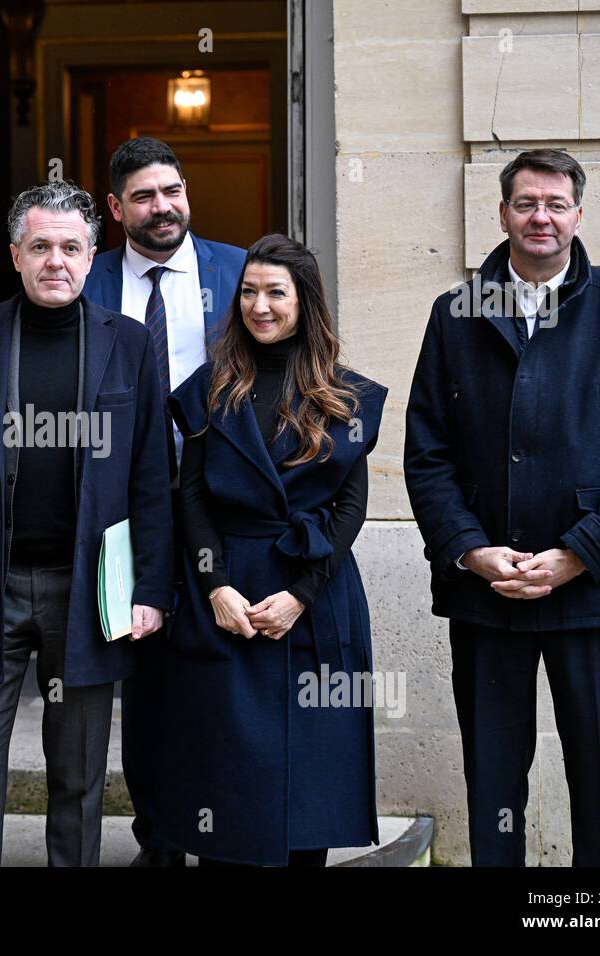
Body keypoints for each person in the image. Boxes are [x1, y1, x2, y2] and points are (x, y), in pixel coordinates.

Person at [404, 148, 600, 866]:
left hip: (596, 590)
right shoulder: (455, 314)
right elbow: (426, 452)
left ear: (578, 216)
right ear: (501, 213)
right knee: (494, 780)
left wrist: (577, 554)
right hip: (487, 592)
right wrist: (469, 548)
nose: (540, 217)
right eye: (526, 203)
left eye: (556, 204)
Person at [0, 181, 174, 867]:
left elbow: (151, 476)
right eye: (40, 247)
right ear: (15, 255)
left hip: (88, 587)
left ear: (92, 257)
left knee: (81, 765)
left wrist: (150, 589)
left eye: (70, 247)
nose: (55, 260)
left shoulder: (130, 342)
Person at [155, 233, 386, 866]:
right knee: (224, 797)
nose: (260, 305)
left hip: (314, 594)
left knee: (306, 803)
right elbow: (192, 497)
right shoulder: (211, 387)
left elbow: (349, 507)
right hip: (224, 594)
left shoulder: (347, 396)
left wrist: (301, 596)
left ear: (304, 301)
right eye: (250, 291)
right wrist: (214, 587)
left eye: (275, 293)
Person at [82, 136, 245, 867]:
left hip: (223, 503)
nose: (163, 207)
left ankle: (223, 830)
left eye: (172, 191)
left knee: (220, 677)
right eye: (144, 196)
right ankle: (160, 839)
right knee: (144, 681)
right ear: (116, 209)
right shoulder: (85, 277)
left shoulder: (238, 272)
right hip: (122, 508)